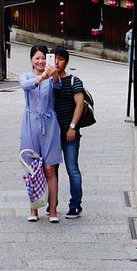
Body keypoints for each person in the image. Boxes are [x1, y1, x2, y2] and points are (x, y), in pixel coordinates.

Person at [18, 44, 62, 222]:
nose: (41, 61)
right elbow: (25, 85)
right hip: (30, 123)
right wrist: (41, 77)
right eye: (37, 58)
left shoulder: (52, 76)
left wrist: (53, 74)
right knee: (32, 168)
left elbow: (58, 85)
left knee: (50, 168)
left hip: (49, 123)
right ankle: (34, 209)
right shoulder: (26, 76)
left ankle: (53, 210)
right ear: (31, 60)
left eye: (44, 58)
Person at [51, 46, 87, 219]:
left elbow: (80, 104)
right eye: (54, 58)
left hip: (70, 132)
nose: (57, 62)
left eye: (61, 59)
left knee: (72, 168)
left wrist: (72, 127)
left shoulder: (74, 80)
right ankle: (52, 204)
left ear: (66, 62)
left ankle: (75, 205)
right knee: (52, 170)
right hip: (52, 134)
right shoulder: (48, 81)